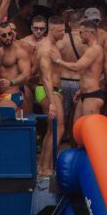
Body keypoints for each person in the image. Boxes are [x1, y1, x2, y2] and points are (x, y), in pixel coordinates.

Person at [50, 20, 105, 118]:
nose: (79, 36)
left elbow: (77, 67)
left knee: (88, 129)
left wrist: (58, 61)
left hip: (92, 95)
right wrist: (80, 90)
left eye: (81, 32)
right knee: (77, 126)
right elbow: (86, 72)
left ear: (89, 33)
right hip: (84, 94)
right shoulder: (90, 48)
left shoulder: (95, 49)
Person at [35, 15, 66, 175]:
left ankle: (43, 166)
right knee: (58, 128)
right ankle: (47, 167)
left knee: (51, 129)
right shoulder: (46, 48)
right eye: (61, 30)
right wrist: (52, 102)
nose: (64, 33)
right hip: (47, 90)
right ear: (52, 30)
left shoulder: (53, 45)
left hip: (53, 90)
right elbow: (46, 77)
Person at [0, 21, 31, 110]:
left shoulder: (19, 52)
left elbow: (26, 75)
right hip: (2, 96)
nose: (8, 37)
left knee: (1, 119)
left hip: (13, 95)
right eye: (4, 35)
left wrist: (11, 82)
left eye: (10, 34)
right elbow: (0, 77)